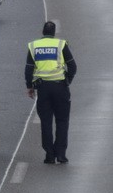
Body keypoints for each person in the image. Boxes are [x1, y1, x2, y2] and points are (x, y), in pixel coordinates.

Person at [25, 21, 77, 165]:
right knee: (62, 121)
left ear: (42, 32)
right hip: (60, 88)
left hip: (43, 89)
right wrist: (67, 80)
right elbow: (72, 66)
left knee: (46, 122)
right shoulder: (61, 44)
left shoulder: (34, 46)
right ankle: (61, 155)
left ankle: (49, 155)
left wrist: (30, 87)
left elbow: (29, 69)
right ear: (54, 33)